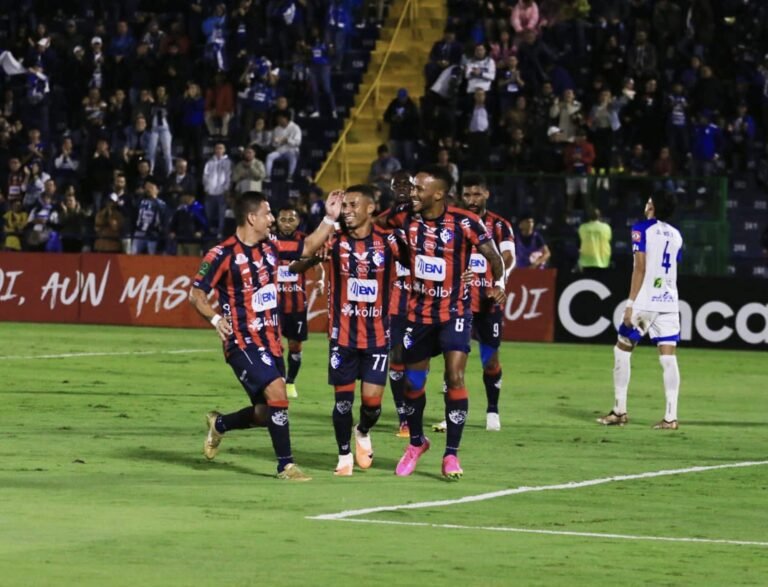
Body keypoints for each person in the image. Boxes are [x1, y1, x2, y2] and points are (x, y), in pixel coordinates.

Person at [189, 189, 343, 480]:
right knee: (277, 391)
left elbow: (308, 246)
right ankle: (286, 465)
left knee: (265, 413)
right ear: (251, 217)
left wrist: (329, 218)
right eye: (267, 214)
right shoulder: (222, 254)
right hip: (241, 340)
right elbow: (196, 294)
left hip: (271, 341)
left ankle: (219, 424)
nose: (272, 219)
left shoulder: (271, 246)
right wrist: (215, 318)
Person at [379, 166, 506, 480]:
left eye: (419, 189)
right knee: (413, 383)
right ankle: (417, 442)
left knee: (455, 375)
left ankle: (451, 454)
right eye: (412, 188)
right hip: (418, 313)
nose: (413, 193)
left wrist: (497, 282)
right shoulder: (404, 216)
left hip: (454, 312)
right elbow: (376, 224)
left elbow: (494, 257)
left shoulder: (464, 223)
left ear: (438, 193)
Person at [294, 184, 406, 476]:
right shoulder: (334, 241)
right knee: (342, 403)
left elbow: (417, 263)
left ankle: (363, 431)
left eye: (353, 205)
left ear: (371, 208)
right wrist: (312, 259)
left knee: (372, 404)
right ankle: (344, 456)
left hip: (377, 337)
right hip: (342, 336)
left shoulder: (389, 241)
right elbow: (296, 264)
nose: (348, 211)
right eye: (345, 206)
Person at [434, 174, 515, 432]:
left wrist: (499, 284)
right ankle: (451, 414)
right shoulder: (452, 223)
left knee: (490, 360)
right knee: (453, 363)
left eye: (476, 194)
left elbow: (507, 257)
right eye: (467, 195)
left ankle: (492, 409)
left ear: (487, 194)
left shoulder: (500, 225)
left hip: (488, 303)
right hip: (459, 303)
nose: (471, 200)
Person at [598, 191, 683, 430]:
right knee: (668, 358)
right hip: (669, 301)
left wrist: (630, 304)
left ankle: (619, 411)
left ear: (653, 206)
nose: (646, 203)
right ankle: (670, 417)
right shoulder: (677, 235)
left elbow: (640, 267)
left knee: (622, 350)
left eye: (649, 200)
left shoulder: (641, 229)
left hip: (645, 302)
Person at [272, 205, 325, 399]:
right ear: (276, 221)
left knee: (295, 346)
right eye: (283, 219)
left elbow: (318, 266)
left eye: (291, 220)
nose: (287, 224)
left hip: (296, 306)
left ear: (298, 221)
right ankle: (278, 381)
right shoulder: (268, 241)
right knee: (274, 345)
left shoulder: (305, 241)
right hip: (272, 305)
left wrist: (320, 280)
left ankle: (290, 382)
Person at [376, 171, 414, 437]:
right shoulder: (383, 221)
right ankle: (403, 414)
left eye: (406, 184)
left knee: (422, 358)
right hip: (397, 298)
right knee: (397, 356)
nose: (401, 188)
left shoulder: (428, 216)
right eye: (396, 185)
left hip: (426, 298)